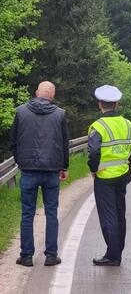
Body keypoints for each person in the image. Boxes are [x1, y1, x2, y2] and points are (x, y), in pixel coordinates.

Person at [9, 81, 70, 267]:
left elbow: (13, 141)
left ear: (36, 93)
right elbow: (64, 143)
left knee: (27, 213)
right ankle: (51, 255)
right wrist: (64, 167)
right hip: (52, 170)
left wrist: (20, 161)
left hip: (28, 170)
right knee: (51, 213)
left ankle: (26, 255)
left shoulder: (21, 112)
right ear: (52, 95)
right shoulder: (60, 114)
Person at [87, 85, 131, 266]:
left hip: (104, 177)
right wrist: (130, 161)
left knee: (108, 216)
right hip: (122, 174)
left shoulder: (98, 126)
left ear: (100, 104)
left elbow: (94, 151)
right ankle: (117, 251)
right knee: (120, 214)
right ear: (116, 104)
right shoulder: (127, 123)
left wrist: (93, 168)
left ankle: (112, 256)